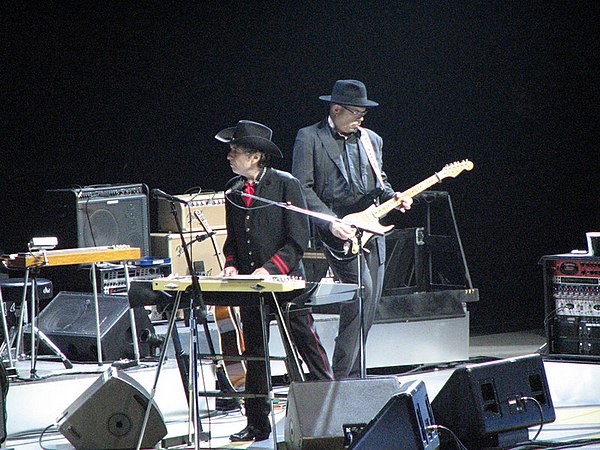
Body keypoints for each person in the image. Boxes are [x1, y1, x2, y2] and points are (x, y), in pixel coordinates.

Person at [216, 120, 333, 442]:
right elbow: (233, 241)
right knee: (255, 353)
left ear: (255, 157)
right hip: (252, 288)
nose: (229, 156)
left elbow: (297, 239)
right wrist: (231, 267)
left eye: (235, 151)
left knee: (306, 343)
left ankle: (332, 407)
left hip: (286, 281)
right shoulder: (233, 189)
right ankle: (257, 423)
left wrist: (269, 269)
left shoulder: (285, 185)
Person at [291, 79, 412, 379]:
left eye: (363, 113)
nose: (360, 118)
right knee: (362, 292)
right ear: (335, 109)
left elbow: (380, 183)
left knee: (369, 303)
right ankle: (341, 379)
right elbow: (302, 190)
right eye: (355, 112)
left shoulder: (373, 140)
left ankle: (353, 377)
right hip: (335, 231)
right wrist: (331, 222)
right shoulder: (310, 138)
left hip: (371, 229)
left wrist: (393, 198)